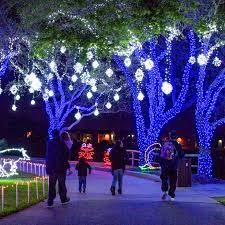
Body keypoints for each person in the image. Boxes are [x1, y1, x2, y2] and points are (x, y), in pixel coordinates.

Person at [46, 129, 70, 207]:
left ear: (53, 134)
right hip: (61, 168)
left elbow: (48, 156)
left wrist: (48, 167)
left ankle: (50, 201)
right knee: (62, 184)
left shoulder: (49, 143)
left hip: (52, 167)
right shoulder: (62, 143)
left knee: (52, 185)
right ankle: (63, 199)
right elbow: (67, 155)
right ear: (58, 134)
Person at [159, 130, 184, 201]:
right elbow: (181, 155)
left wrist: (161, 163)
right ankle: (172, 194)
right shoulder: (178, 145)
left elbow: (160, 155)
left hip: (165, 165)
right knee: (173, 180)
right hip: (173, 166)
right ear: (175, 136)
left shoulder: (165, 144)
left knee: (164, 178)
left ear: (169, 136)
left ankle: (165, 190)